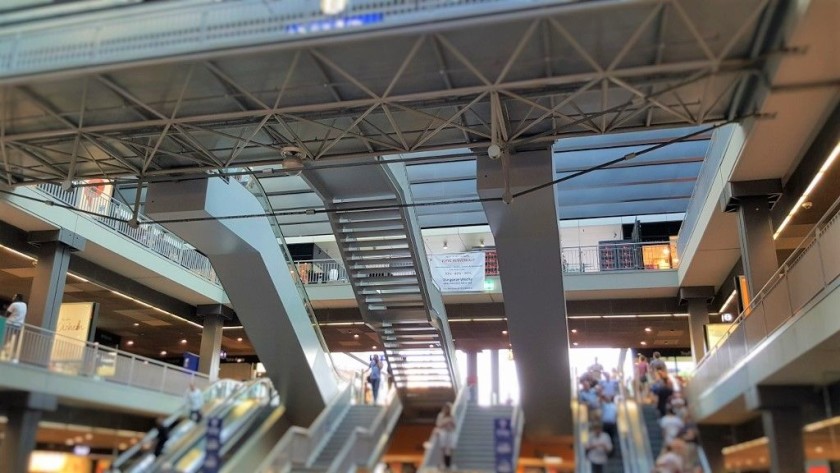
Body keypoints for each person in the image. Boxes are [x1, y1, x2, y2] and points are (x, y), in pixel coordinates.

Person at [3, 294, 26, 361]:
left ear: (17, 298)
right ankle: (11, 354)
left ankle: (3, 352)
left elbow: (6, 314)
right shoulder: (24, 305)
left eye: (14, 297)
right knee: (13, 341)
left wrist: (6, 309)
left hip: (10, 324)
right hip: (18, 326)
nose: (13, 298)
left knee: (4, 339)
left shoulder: (14, 304)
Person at [435, 403, 457, 470]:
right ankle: (442, 464)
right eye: (446, 408)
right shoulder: (440, 415)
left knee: (451, 449)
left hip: (451, 433)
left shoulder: (452, 415)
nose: (447, 409)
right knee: (443, 449)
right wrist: (446, 421)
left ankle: (450, 464)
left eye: (448, 408)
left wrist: (451, 421)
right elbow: (438, 424)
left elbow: (455, 425)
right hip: (443, 433)